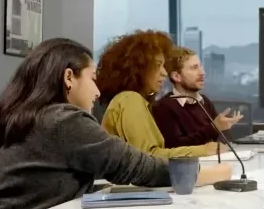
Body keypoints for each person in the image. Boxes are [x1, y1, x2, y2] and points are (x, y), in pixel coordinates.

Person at [0, 39, 215, 209]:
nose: (97, 91)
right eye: (92, 79)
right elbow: (137, 167)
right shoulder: (64, 121)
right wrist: (208, 173)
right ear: (68, 78)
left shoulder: (37, 117)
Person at [97, 30, 231, 166]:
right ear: (139, 68)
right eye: (158, 65)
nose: (164, 72)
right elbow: (148, 157)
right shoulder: (129, 99)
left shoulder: (136, 101)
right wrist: (203, 150)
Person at [152, 46, 243, 148]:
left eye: (201, 67)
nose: (202, 73)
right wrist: (214, 127)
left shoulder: (204, 102)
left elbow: (220, 141)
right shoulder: (164, 107)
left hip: (213, 161)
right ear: (177, 76)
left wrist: (223, 128)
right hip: (188, 164)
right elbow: (176, 147)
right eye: (194, 68)